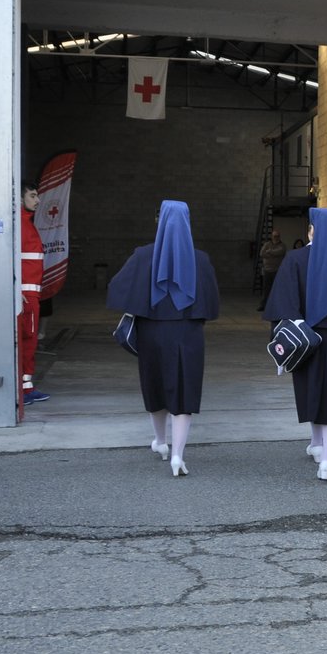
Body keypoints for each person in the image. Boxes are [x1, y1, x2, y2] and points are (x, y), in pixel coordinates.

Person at [106, 201, 221, 477]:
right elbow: (213, 303)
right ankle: (178, 456)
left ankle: (160, 441)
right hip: (188, 335)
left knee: (155, 388)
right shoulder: (201, 259)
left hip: (151, 334)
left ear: (160, 222)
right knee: (184, 393)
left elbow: (116, 289)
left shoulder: (143, 256)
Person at [262, 209, 327, 482]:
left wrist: (279, 347)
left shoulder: (296, 258)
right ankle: (325, 454)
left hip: (305, 338)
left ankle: (317, 445)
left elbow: (283, 305)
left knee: (312, 390)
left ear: (312, 231)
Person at [19, 183, 49, 405]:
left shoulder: (26, 223)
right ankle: (24, 389)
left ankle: (26, 386)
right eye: (32, 195)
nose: (37, 200)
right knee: (27, 341)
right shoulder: (20, 225)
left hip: (30, 294)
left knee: (29, 340)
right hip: (26, 296)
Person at [258, 228, 287, 311]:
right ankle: (263, 305)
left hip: (277, 271)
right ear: (272, 236)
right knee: (266, 289)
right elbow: (262, 253)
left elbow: (280, 252)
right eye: (274, 236)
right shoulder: (267, 244)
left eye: (277, 236)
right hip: (267, 270)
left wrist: (269, 252)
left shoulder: (282, 245)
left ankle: (276, 306)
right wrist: (273, 253)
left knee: (277, 289)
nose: (276, 237)